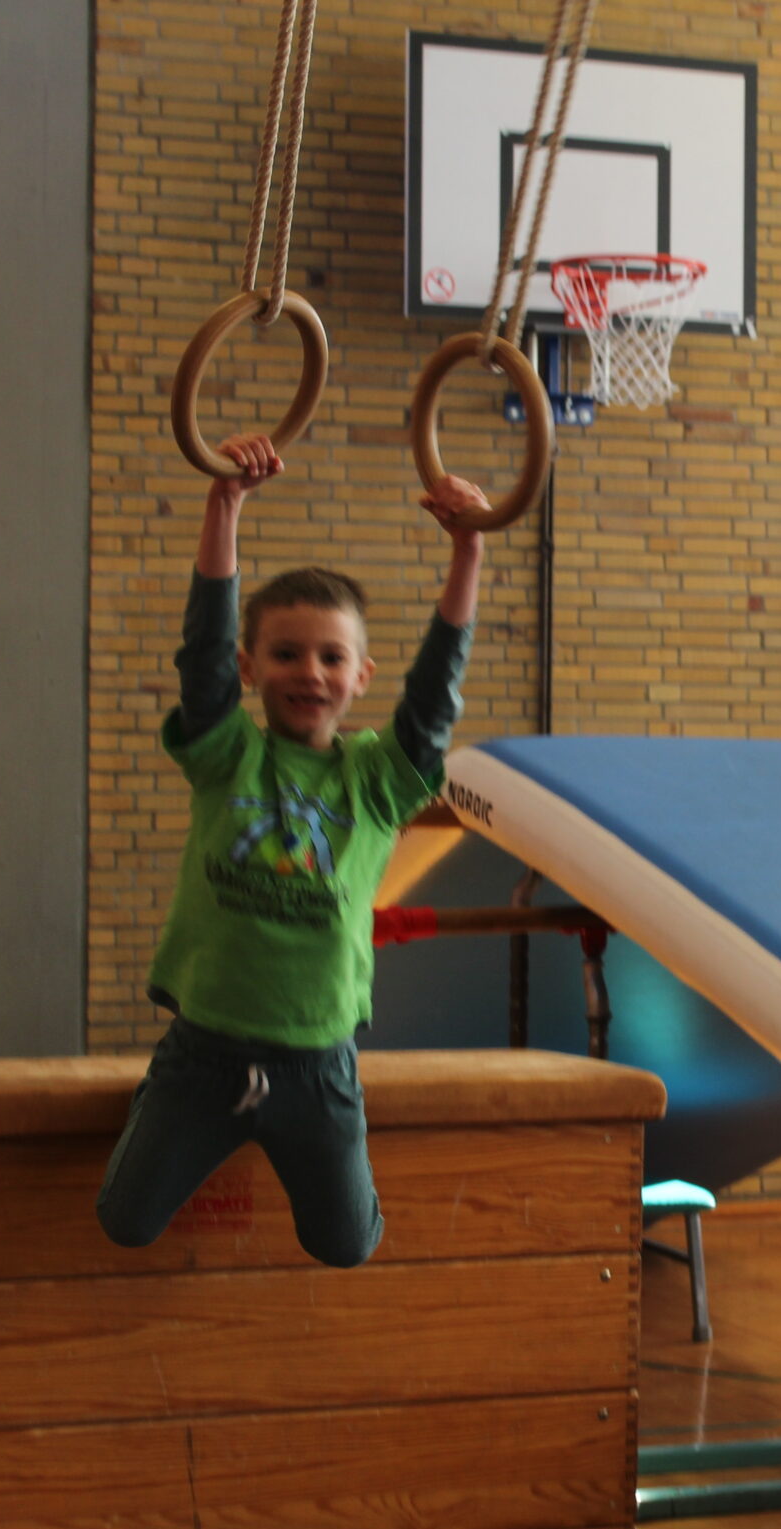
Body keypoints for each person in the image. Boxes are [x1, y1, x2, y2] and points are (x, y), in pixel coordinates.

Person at [95, 432, 484, 1267]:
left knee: (345, 1246)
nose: (310, 670)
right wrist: (224, 503)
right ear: (250, 666)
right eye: (286, 653)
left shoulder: (377, 781)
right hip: (205, 1050)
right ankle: (202, 1127)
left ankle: (338, 1172)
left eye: (331, 655)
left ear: (360, 673)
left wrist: (469, 550)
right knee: (124, 1219)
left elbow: (434, 698)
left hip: (318, 1062)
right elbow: (198, 658)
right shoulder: (227, 753)